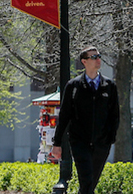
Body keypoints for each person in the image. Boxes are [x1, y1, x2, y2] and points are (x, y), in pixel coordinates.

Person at [49, 46, 119, 194]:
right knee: (86, 178)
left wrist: (110, 138)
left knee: (91, 182)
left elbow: (115, 115)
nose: (98, 60)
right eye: (94, 57)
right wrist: (57, 143)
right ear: (84, 62)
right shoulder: (73, 86)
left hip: (102, 142)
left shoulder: (109, 86)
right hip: (79, 142)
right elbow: (65, 115)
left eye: (99, 56)